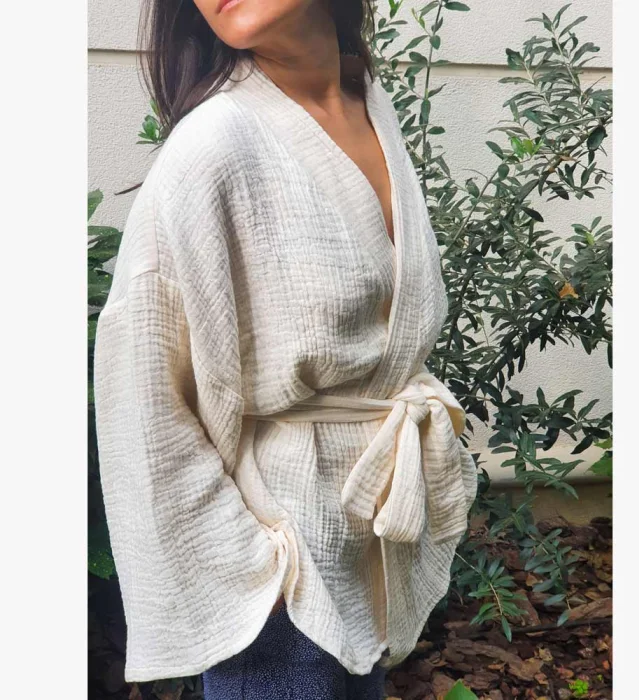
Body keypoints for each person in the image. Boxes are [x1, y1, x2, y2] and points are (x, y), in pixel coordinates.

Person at [92, 0, 478, 698]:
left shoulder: (367, 105)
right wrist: (254, 570)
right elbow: (139, 388)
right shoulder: (214, 142)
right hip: (281, 573)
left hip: (365, 553)